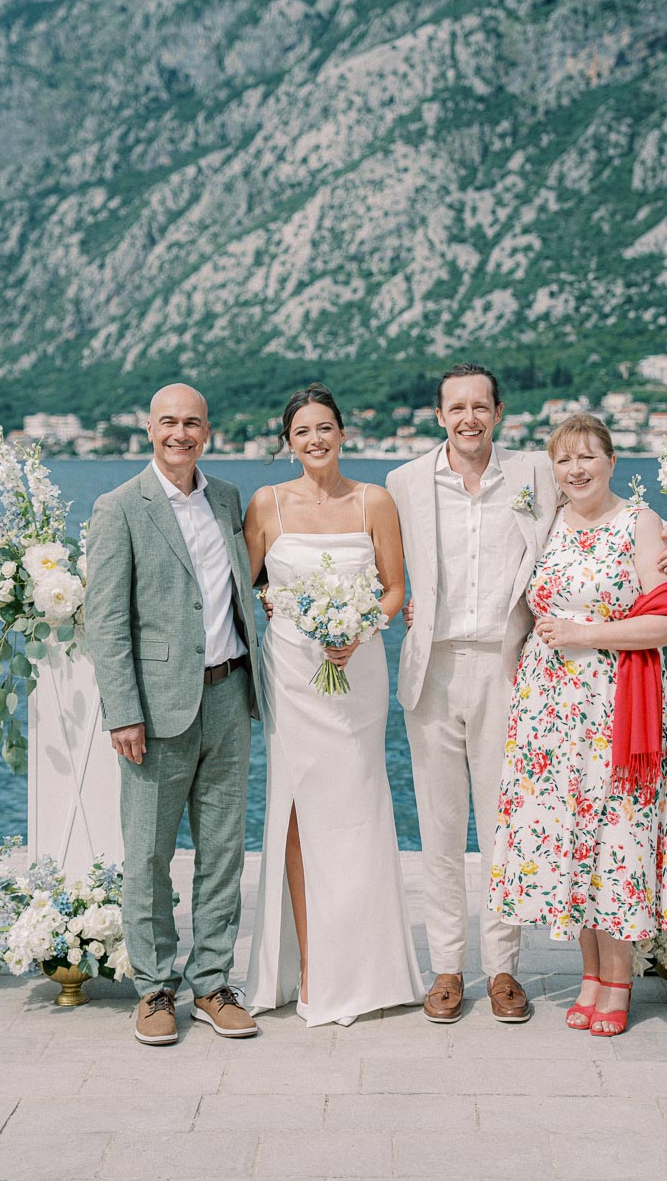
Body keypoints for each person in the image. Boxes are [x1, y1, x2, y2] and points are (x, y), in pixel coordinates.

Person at [386, 364, 667, 1027]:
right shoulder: (402, 482)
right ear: (440, 414)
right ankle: (445, 970)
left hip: (511, 668)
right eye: (456, 407)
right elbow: (375, 556)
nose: (468, 417)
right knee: (437, 828)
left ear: (498, 412)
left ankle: (502, 972)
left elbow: (603, 503)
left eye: (480, 406)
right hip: (430, 669)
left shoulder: (536, 473)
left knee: (507, 826)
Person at [488, 413, 667, 1036]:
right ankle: (589, 977)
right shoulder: (545, 523)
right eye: (564, 460)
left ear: (612, 460)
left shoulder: (642, 525)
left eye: (588, 457)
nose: (576, 470)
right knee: (569, 839)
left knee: (616, 840)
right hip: (546, 710)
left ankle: (620, 980)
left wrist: (586, 634)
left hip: (610, 707)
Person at [244, 383, 424, 1027]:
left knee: (357, 808)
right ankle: (312, 969)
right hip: (291, 674)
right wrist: (278, 605)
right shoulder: (266, 505)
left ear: (342, 434)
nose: (314, 440)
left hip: (358, 672)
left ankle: (366, 970)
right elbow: (248, 586)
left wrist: (357, 628)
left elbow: (395, 589)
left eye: (325, 428)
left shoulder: (375, 501)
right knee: (297, 808)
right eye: (302, 432)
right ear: (288, 443)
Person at [85, 383, 261, 1046]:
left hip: (229, 697)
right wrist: (122, 712)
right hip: (154, 714)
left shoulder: (225, 499)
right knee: (149, 857)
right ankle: (155, 989)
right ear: (149, 428)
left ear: (207, 431)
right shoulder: (119, 508)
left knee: (222, 854)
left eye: (191, 422)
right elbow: (106, 623)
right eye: (168, 422)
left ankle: (212, 983)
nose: (179, 433)